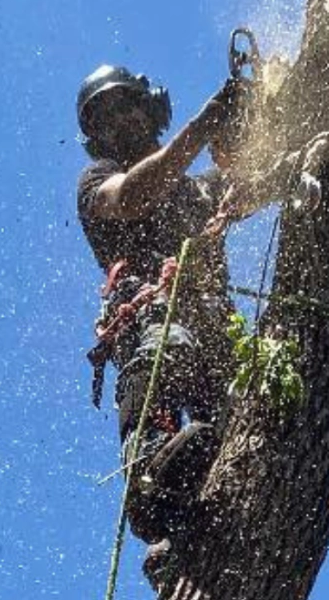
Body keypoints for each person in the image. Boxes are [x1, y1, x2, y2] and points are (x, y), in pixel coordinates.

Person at [77, 64, 243, 557]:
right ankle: (150, 474)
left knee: (243, 408)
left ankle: (188, 535)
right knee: (166, 350)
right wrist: (206, 125)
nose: (117, 122)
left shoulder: (200, 191)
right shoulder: (98, 180)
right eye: (103, 118)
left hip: (217, 325)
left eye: (123, 106)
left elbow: (253, 184)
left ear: (149, 108)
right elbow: (131, 197)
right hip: (156, 310)